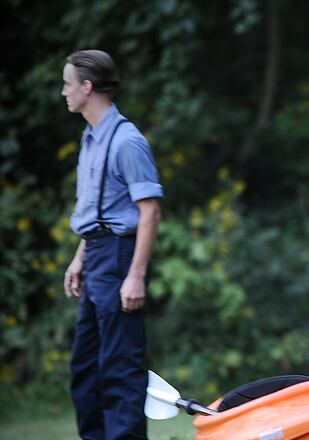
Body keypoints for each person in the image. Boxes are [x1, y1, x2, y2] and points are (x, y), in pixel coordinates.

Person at [61, 50, 163, 440]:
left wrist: (135, 276)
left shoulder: (127, 142)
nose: (64, 91)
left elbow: (149, 212)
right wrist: (79, 258)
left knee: (120, 369)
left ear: (87, 87)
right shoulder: (90, 138)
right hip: (97, 255)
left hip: (121, 258)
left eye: (68, 83)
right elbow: (100, 211)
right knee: (85, 370)